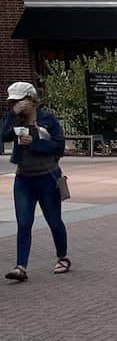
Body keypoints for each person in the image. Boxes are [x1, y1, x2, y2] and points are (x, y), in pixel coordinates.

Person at [1, 81, 70, 281]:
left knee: (53, 220)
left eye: (19, 101)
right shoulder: (14, 120)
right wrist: (12, 115)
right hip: (24, 179)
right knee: (24, 222)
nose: (16, 105)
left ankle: (62, 257)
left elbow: (59, 146)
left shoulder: (47, 119)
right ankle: (20, 267)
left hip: (47, 177)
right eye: (13, 102)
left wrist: (36, 142)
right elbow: (3, 137)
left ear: (31, 99)